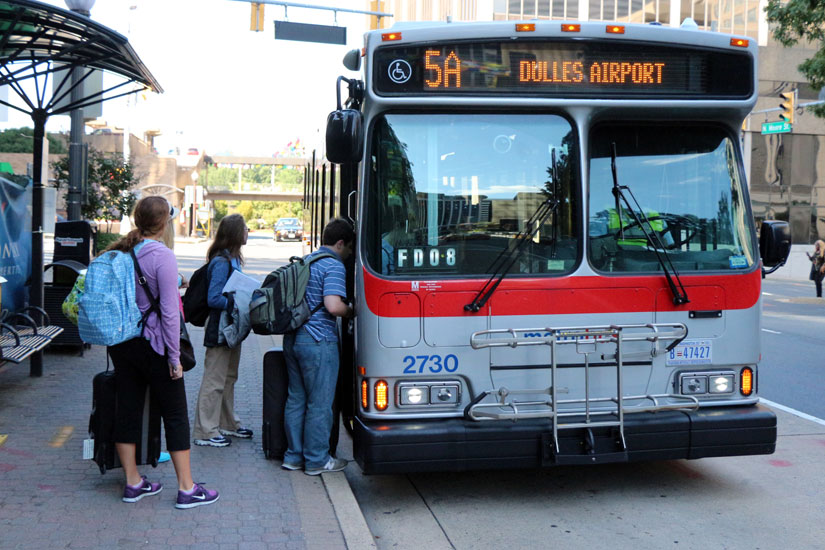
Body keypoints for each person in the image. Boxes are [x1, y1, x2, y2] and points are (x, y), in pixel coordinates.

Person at [107, 196, 218, 509]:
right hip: (154, 346)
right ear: (165, 223)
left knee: (126, 409)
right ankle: (187, 488)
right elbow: (170, 314)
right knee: (175, 414)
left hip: (122, 344)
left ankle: (133, 482)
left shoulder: (120, 251)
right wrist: (174, 358)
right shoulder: (162, 255)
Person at [282, 218, 355, 475]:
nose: (347, 255)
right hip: (318, 341)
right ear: (340, 243)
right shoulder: (333, 265)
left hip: (293, 338)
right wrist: (351, 312)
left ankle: (293, 456)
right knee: (320, 403)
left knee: (296, 398)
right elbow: (333, 305)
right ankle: (316, 460)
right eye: (347, 249)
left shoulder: (306, 261)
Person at [192, 214, 253, 447]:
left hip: (230, 326)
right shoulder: (221, 262)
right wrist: (237, 301)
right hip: (220, 326)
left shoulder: (233, 259)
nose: (248, 231)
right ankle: (205, 431)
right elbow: (213, 298)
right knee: (214, 380)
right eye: (245, 228)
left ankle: (227, 423)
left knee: (229, 377)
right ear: (237, 233)